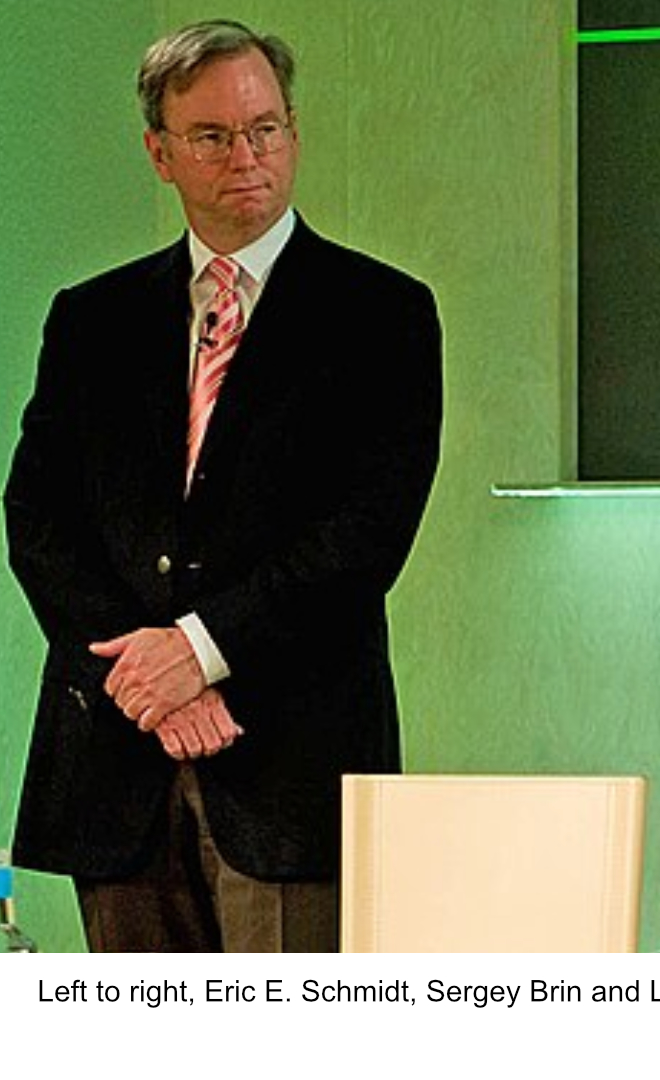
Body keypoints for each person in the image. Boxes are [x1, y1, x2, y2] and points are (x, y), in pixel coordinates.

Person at [3, 19, 442, 952]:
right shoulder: (91, 321)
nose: (247, 156)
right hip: (118, 765)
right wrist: (149, 680)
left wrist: (200, 651)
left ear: (292, 132)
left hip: (290, 764)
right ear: (160, 153)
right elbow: (39, 520)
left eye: (266, 128)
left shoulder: (383, 315)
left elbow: (364, 537)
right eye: (213, 136)